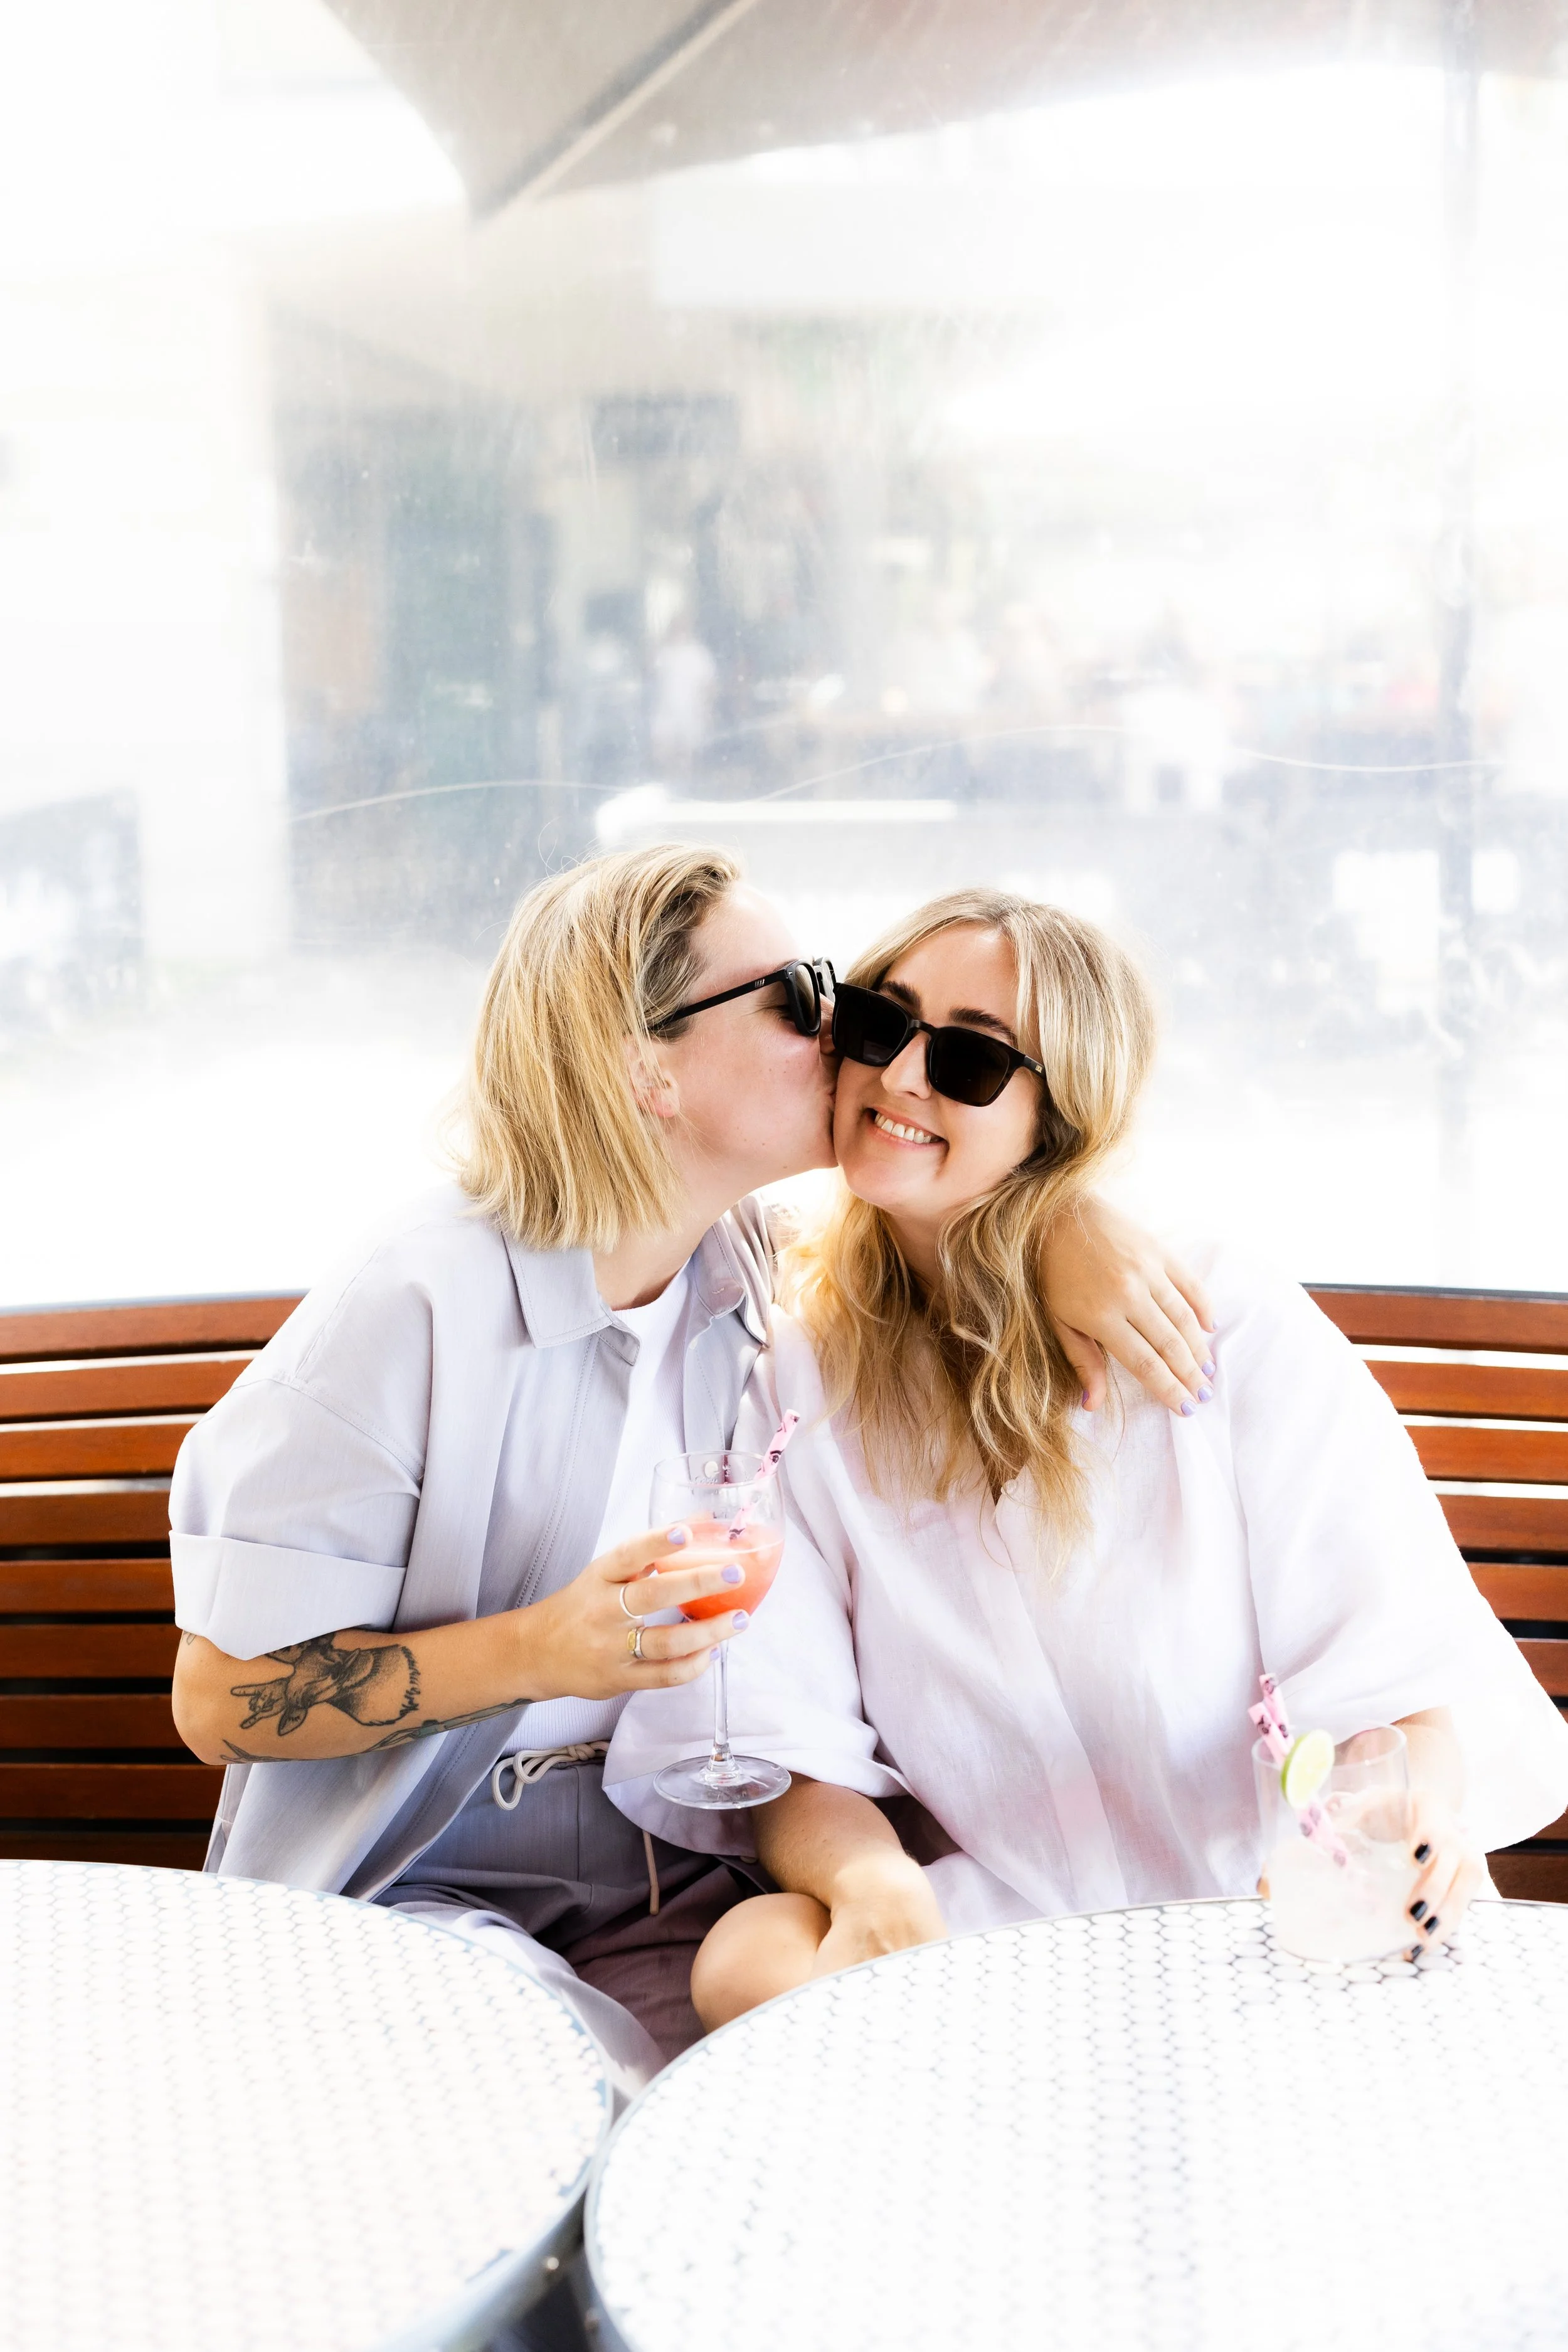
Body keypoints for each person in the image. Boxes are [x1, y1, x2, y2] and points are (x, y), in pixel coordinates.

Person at [170, 847, 1212, 2099]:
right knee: (569, 2107)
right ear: (644, 1068)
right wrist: (540, 1649)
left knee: (820, 2102)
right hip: (425, 1887)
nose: (844, 1028)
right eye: (796, 995)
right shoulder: (412, 1306)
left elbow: (954, 1202)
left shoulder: (752, 1269)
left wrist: (1065, 1221)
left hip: (681, 1891)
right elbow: (218, 1700)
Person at [604, 887, 1568, 2026]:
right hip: (1004, 1935)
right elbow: (791, 1738)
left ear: (1058, 1121)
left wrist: (1400, 1820)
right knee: (748, 1958)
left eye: (970, 1059)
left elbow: (1392, 1678)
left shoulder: (1221, 1323)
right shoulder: (801, 1370)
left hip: (1261, 1908)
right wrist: (873, 1886)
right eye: (880, 1021)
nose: (902, 1073)